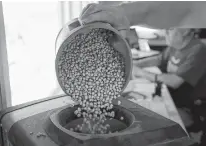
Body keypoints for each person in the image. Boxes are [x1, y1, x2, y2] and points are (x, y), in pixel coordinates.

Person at [79, 2, 206, 146]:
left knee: (153, 124)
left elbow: (175, 81)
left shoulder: (198, 50)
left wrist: (143, 73)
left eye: (170, 29)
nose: (165, 33)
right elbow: (157, 59)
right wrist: (132, 64)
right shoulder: (175, 47)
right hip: (174, 98)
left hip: (191, 109)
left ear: (185, 30)